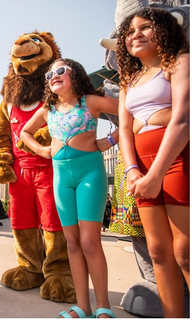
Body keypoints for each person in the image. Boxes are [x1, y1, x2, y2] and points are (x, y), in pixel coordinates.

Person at [20, 58, 119, 318]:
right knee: (72, 243)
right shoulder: (47, 109)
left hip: (90, 173)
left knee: (89, 242)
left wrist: (109, 140)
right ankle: (82, 307)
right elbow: (24, 133)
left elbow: (131, 111)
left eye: (60, 70)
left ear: (75, 74)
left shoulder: (91, 101)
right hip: (62, 179)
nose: (53, 75)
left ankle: (103, 307)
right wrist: (42, 150)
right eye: (50, 73)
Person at [115, 7, 189, 318]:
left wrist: (156, 173)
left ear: (165, 31)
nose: (136, 35)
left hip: (175, 161)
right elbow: (124, 129)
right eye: (130, 32)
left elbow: (183, 118)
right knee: (158, 251)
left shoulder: (180, 61)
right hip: (141, 169)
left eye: (146, 27)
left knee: (185, 251)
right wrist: (133, 171)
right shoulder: (128, 79)